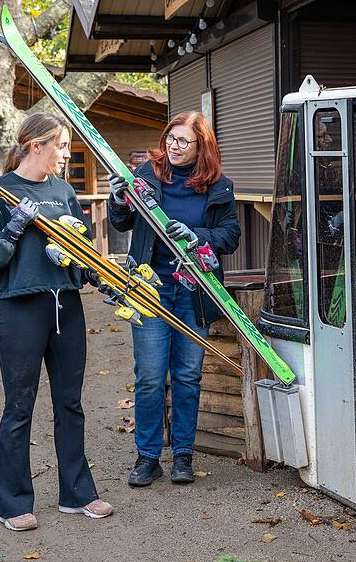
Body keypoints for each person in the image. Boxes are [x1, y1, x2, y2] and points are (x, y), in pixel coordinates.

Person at [0, 113, 113, 531]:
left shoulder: (64, 192)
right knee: (19, 407)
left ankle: (77, 493)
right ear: (37, 145)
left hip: (65, 305)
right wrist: (14, 228)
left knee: (71, 403)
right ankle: (13, 502)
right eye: (62, 146)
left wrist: (98, 273)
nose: (67, 154)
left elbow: (80, 248)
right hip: (19, 309)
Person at [108, 111, 240, 487]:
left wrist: (198, 234)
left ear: (202, 147)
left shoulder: (219, 187)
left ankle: (183, 455)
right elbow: (122, 222)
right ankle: (147, 457)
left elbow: (230, 235)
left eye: (183, 142)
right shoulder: (147, 177)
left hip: (194, 291)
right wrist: (118, 199)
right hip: (150, 289)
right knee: (150, 376)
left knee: (187, 374)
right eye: (171, 139)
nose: (174, 147)